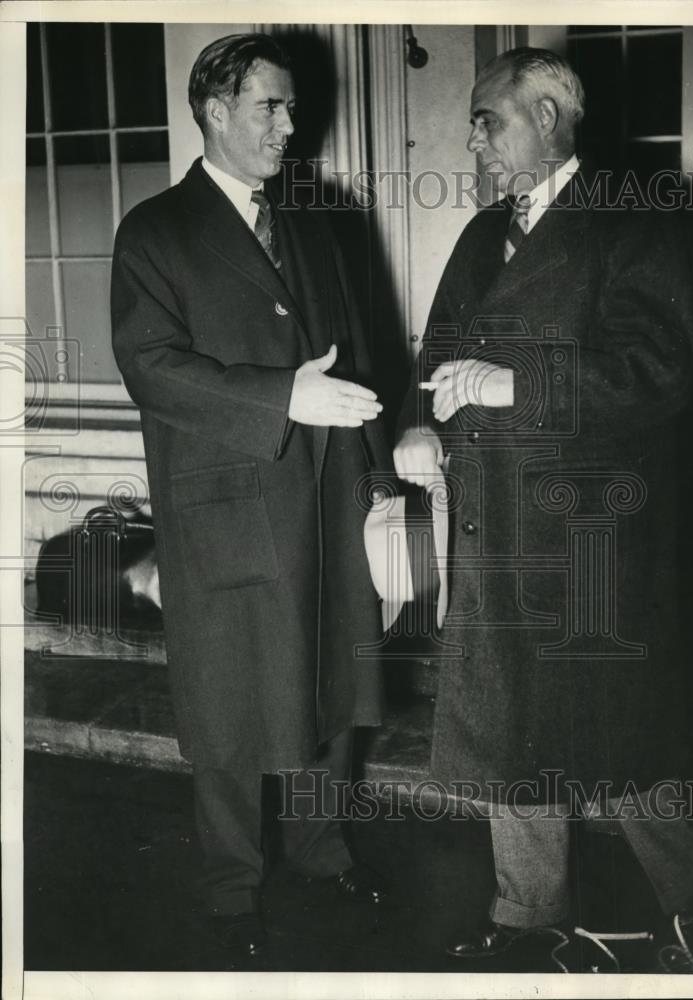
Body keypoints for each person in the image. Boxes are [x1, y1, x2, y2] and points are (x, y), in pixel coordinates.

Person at [394, 47, 693, 968]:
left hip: (592, 534)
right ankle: (530, 916)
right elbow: (440, 356)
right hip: (492, 522)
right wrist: (424, 428)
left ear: (548, 113)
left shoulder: (633, 222)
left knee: (626, 739)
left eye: (486, 120)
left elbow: (658, 376)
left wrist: (510, 386)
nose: (474, 142)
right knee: (509, 734)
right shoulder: (480, 233)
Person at [111, 32, 389, 967]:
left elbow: (352, 356)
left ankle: (321, 850)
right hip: (228, 506)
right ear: (216, 111)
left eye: (291, 107)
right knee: (228, 707)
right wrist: (282, 397)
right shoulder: (156, 229)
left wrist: (383, 485)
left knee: (331, 688)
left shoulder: (314, 219)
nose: (289, 124)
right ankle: (230, 889)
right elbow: (151, 367)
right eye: (270, 106)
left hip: (327, 494)